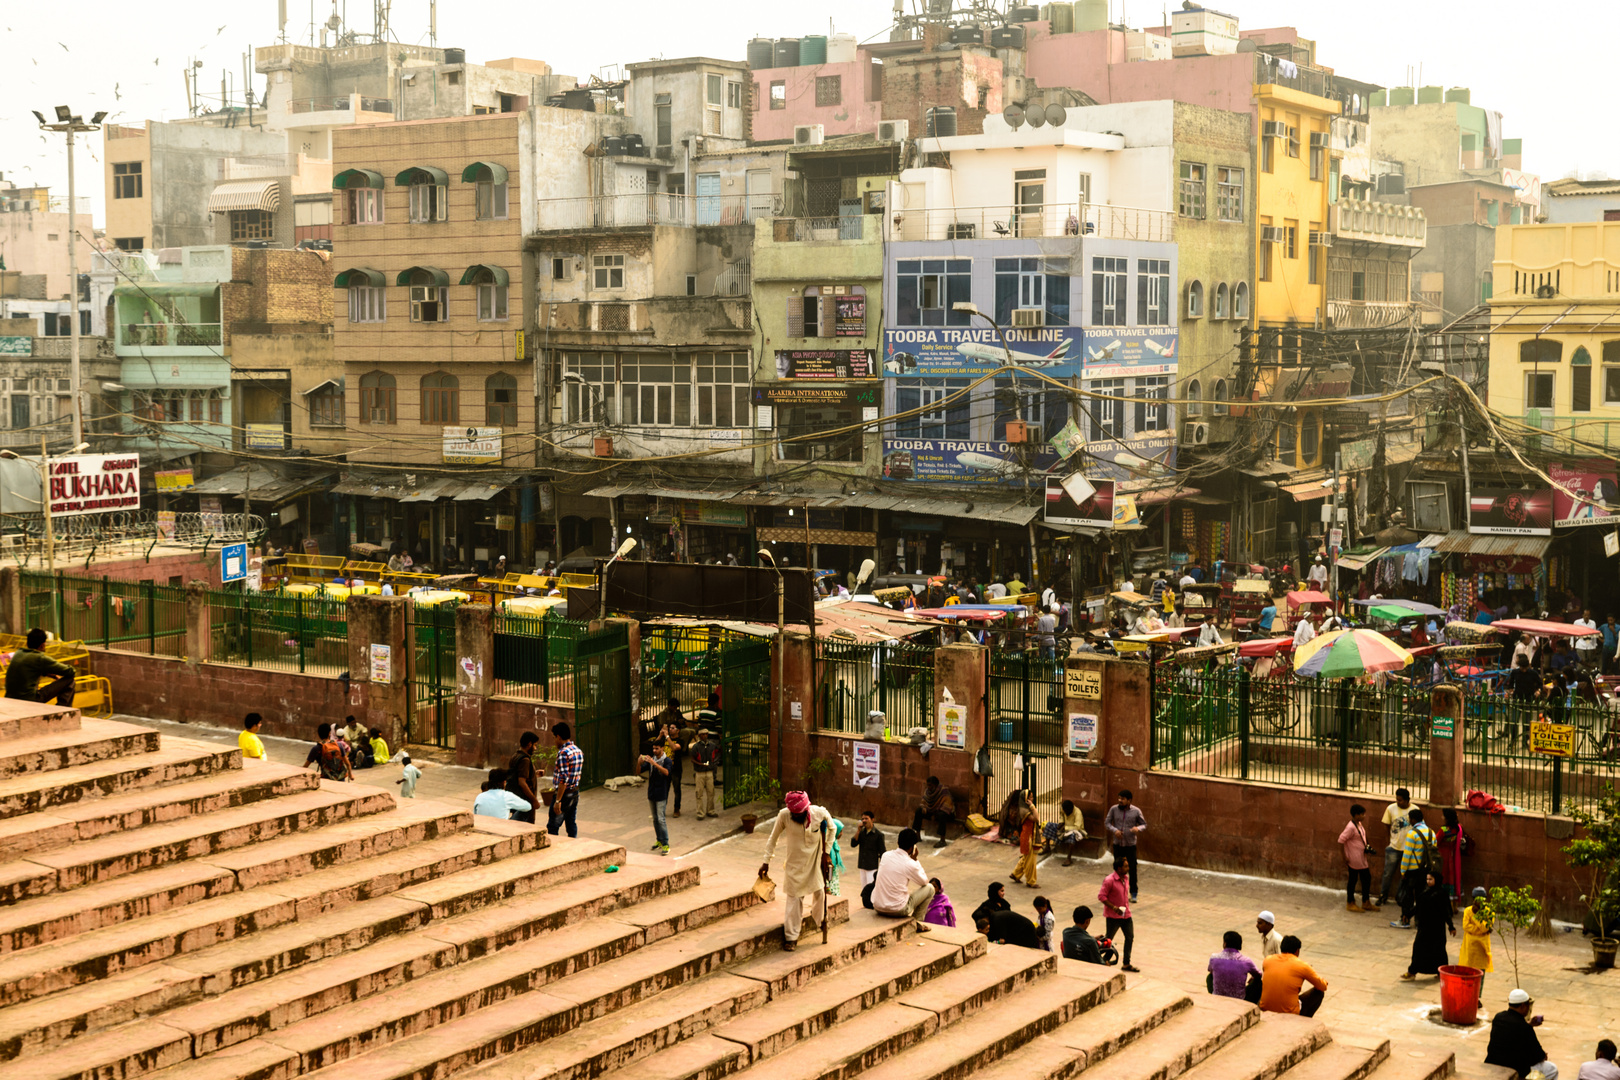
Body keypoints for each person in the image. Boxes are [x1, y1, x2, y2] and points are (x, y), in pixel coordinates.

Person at [759, 791, 834, 952]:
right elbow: (773, 838)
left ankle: (819, 919)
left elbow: (833, 828)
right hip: (794, 865)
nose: (795, 816)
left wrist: (826, 852)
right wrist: (766, 862)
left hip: (814, 862)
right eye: (793, 813)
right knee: (794, 901)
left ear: (806, 810)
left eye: (798, 814)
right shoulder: (784, 815)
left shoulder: (819, 813)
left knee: (820, 893)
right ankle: (791, 937)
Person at [1486, 989, 1556, 1080]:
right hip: (1515, 1069)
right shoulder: (1525, 1028)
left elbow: (1512, 1028)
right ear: (1523, 1005)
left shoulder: (1498, 1017)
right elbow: (1538, 1055)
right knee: (1551, 1069)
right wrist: (1543, 1055)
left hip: (1493, 1063)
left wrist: (1528, 1024)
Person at [870, 828, 935, 922]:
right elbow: (924, 882)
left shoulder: (885, 855)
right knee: (930, 888)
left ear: (898, 842)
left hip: (878, 906)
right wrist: (915, 860)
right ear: (912, 847)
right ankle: (917, 922)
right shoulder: (909, 863)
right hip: (898, 910)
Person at [1401, 870, 1456, 980]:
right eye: (1427, 879)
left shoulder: (1441, 894)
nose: (1428, 881)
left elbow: (1446, 912)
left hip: (1437, 928)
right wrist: (1408, 914)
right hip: (1424, 927)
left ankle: (1442, 972)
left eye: (1430, 879)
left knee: (1439, 951)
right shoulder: (1425, 892)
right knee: (1418, 948)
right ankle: (1412, 971)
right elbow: (1418, 907)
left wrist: (1451, 926)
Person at [4, 628, 76, 706]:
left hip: (10, 697)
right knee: (70, 681)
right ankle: (62, 711)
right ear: (42, 645)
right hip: (29, 699)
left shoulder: (18, 653)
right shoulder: (39, 658)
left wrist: (53, 675)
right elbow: (70, 671)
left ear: (27, 643)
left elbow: (29, 669)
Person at [1260, 936, 1327, 1017]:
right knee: (1319, 993)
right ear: (1297, 951)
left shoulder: (1267, 960)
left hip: (1266, 1008)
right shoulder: (1302, 965)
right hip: (1289, 1012)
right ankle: (1304, 1021)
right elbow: (1322, 986)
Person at [1397, 808, 1438, 928]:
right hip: (1425, 869)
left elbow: (1407, 854)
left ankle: (1405, 920)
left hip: (1412, 870)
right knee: (1421, 896)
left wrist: (1403, 871)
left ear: (1413, 819)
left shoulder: (1413, 833)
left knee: (1407, 897)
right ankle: (1419, 921)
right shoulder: (1431, 832)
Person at [1104, 789, 1146, 901]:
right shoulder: (1113, 809)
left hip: (1130, 845)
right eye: (1119, 798)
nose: (1120, 801)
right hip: (1118, 845)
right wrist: (1114, 830)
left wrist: (1138, 828)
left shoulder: (1136, 811)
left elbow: (1144, 824)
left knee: (1132, 869)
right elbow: (1107, 823)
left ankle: (1133, 893)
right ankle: (1117, 892)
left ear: (1129, 800)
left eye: (1122, 799)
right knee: (1117, 869)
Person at [1098, 856, 1138, 972]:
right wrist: (1114, 908)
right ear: (1119, 868)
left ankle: (1126, 963)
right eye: (1125, 866)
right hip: (1113, 916)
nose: (1128, 868)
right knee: (1108, 939)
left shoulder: (1126, 878)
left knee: (1129, 937)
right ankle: (1103, 960)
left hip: (1126, 915)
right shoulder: (1109, 880)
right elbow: (1101, 896)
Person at [1376, 788, 1414, 909]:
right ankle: (1383, 895)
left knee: (1405, 875)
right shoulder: (1390, 809)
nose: (1398, 802)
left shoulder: (1414, 810)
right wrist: (1390, 840)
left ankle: (1401, 897)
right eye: (1397, 799)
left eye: (1401, 800)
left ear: (1407, 800)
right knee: (1388, 873)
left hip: (1408, 849)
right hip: (1394, 846)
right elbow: (1386, 825)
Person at [1460, 887, 1494, 1012]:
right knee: (1467, 974)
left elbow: (1485, 928)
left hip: (1482, 949)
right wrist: (1479, 929)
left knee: (1480, 975)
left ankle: (1476, 998)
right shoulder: (1468, 911)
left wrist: (1475, 918)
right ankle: (1466, 995)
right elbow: (1465, 926)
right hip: (1470, 948)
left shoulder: (1489, 912)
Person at [548, 723, 583, 838]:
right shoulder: (577, 750)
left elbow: (563, 779)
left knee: (553, 826)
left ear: (558, 737)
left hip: (564, 795)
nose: (554, 741)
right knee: (571, 822)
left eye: (553, 738)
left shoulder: (563, 753)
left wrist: (558, 800)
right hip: (574, 792)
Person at [1208, 930, 1263, 1003]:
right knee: (1258, 982)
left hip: (1218, 996)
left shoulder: (1214, 957)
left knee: (1210, 976)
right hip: (1239, 998)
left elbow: (1210, 970)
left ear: (1225, 944)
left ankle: (1215, 994)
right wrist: (1253, 977)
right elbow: (1259, 974)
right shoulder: (1246, 961)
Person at [640, 744, 672, 856]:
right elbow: (638, 771)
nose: (654, 750)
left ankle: (666, 844)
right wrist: (639, 762)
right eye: (653, 748)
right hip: (652, 793)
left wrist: (655, 764)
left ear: (662, 748)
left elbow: (667, 772)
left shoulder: (667, 760)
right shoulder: (651, 760)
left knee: (661, 819)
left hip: (661, 794)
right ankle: (659, 840)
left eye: (657, 748)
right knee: (655, 819)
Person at [1339, 803, 1372, 912]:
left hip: (1361, 858)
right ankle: (1350, 902)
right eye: (1362, 814)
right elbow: (1341, 840)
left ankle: (1366, 902)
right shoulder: (1350, 827)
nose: (1364, 816)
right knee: (1353, 880)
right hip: (1354, 858)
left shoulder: (1359, 824)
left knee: (1366, 879)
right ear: (1356, 815)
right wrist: (1344, 856)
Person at [851, 811, 886, 907]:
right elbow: (853, 844)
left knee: (872, 889)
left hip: (872, 867)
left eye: (866, 818)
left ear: (872, 819)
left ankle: (873, 905)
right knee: (864, 889)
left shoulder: (878, 835)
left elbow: (883, 853)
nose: (864, 821)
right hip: (862, 865)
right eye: (862, 819)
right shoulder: (861, 833)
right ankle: (866, 905)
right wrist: (858, 830)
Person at [506, 731, 541, 825]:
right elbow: (522, 782)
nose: (535, 748)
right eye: (535, 745)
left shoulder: (515, 756)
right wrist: (534, 800)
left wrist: (535, 773)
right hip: (525, 800)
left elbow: (519, 775)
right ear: (529, 744)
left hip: (517, 797)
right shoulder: (525, 760)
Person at [912, 776, 957, 847]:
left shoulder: (943, 791)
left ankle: (942, 840)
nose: (928, 787)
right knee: (919, 811)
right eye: (928, 785)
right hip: (932, 811)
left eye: (930, 785)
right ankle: (917, 836)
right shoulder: (927, 791)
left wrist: (935, 813)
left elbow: (947, 805)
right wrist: (924, 808)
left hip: (946, 813)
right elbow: (924, 802)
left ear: (935, 785)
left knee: (941, 815)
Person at [1010, 793, 1040, 888]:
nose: (1032, 798)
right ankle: (1031, 881)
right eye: (1030, 797)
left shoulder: (1025, 809)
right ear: (1026, 799)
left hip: (1029, 835)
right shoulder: (1024, 810)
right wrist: (1032, 806)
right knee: (1030, 860)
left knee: (1026, 857)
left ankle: (1015, 874)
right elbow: (1036, 818)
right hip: (1028, 837)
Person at [1045, 799, 1087, 866]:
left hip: (1075, 830)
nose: (1065, 813)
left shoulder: (1077, 813)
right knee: (1048, 825)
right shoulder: (1063, 809)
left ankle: (1069, 858)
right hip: (1065, 828)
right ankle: (1047, 847)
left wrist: (1065, 828)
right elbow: (1062, 817)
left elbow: (1077, 827)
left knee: (1072, 835)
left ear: (1071, 809)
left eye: (1067, 812)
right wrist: (1060, 825)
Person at [690, 727, 719, 820]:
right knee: (699, 793)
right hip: (699, 772)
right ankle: (700, 813)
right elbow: (692, 759)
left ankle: (710, 810)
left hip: (709, 772)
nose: (705, 736)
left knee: (711, 792)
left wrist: (713, 764)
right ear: (699, 736)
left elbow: (717, 753)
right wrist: (700, 764)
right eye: (703, 734)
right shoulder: (696, 747)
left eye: (706, 734)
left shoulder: (712, 745)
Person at [1437, 807, 1465, 900]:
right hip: (1453, 856)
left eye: (1443, 816)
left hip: (1442, 856)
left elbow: (1435, 842)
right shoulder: (1458, 829)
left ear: (1447, 818)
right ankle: (1453, 904)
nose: (1442, 817)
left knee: (1443, 877)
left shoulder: (1443, 830)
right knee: (1452, 877)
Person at [974, 909, 1040, 948]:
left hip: (1025, 931)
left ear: (986, 918)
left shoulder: (997, 920)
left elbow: (1003, 940)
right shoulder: (994, 917)